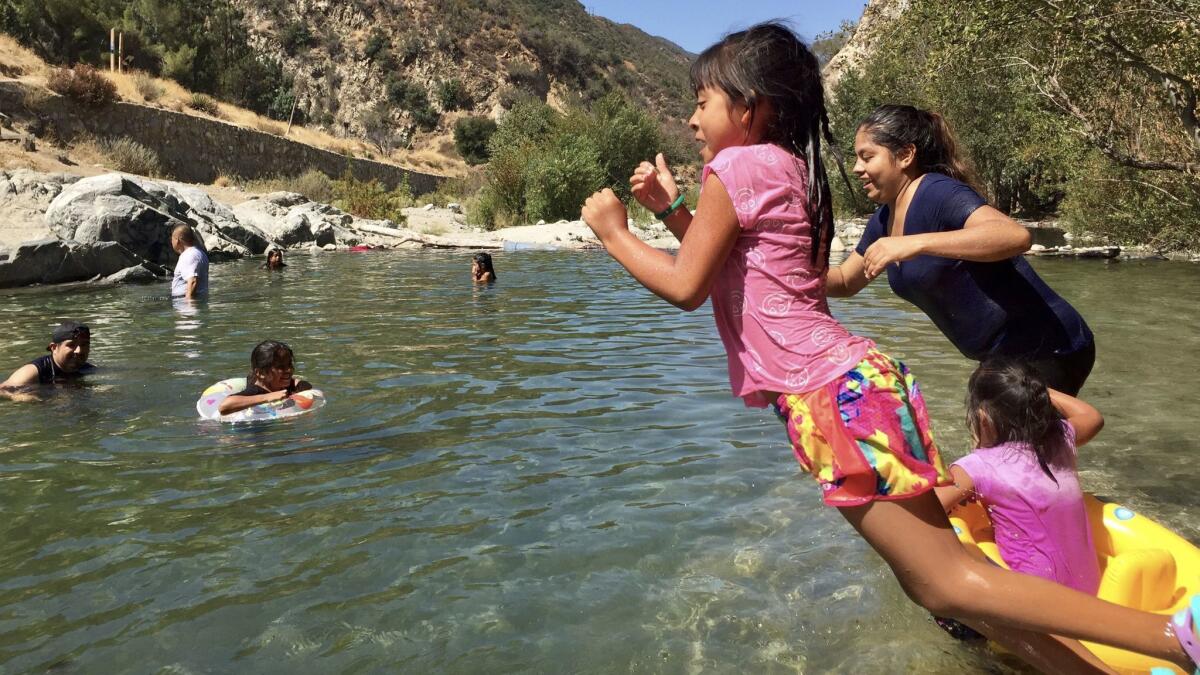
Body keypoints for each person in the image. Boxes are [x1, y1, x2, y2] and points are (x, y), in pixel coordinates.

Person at [579, 22, 1198, 673]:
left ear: (750, 104)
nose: (691, 116)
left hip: (830, 397)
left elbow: (686, 284)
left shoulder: (736, 165)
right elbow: (757, 273)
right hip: (856, 386)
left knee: (942, 581)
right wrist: (674, 206)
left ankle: (1175, 636)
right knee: (941, 583)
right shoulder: (795, 171)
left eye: (702, 100)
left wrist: (615, 232)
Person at [824, 104, 1095, 395]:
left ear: (905, 155)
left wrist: (915, 243)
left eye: (867, 156)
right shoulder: (884, 220)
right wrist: (777, 273)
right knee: (1004, 439)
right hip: (1003, 358)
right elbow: (844, 281)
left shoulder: (935, 191)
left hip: (1048, 345)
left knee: (1015, 440)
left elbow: (1014, 236)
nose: (856, 168)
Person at [935, 360, 1108, 663]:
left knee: (942, 605)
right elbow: (1092, 417)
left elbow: (930, 507)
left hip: (1036, 606)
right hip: (1087, 592)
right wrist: (1032, 389)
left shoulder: (978, 466)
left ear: (983, 419)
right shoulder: (1061, 439)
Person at [218, 340, 312, 415]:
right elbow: (224, 406)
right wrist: (268, 397)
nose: (288, 370)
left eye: (289, 365)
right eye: (280, 367)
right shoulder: (255, 391)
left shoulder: (287, 385)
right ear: (261, 373)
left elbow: (299, 384)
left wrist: (300, 385)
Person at [0, 321, 94, 393]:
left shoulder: (87, 369)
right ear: (54, 348)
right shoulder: (32, 371)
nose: (79, 350)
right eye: (71, 345)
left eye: (84, 345)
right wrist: (25, 397)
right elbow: (2, 390)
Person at [171, 224, 209, 299]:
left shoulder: (189, 255)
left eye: (171, 239)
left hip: (187, 303)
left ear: (177, 240)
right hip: (197, 300)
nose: (171, 242)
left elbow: (193, 281)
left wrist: (189, 306)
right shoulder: (198, 253)